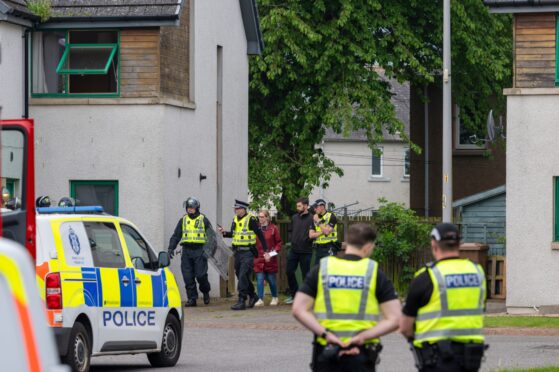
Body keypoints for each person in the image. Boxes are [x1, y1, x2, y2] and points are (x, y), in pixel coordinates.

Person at [293, 223, 401, 372]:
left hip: (327, 349)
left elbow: (298, 309)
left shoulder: (323, 269)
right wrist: (363, 336)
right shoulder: (373, 272)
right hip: (361, 351)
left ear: (347, 243)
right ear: (368, 246)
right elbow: (395, 319)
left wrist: (325, 334)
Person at [400, 223, 487, 372]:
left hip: (436, 358)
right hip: (472, 357)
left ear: (434, 244)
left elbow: (405, 326)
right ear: (459, 244)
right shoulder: (477, 272)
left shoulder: (426, 277)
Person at [218, 199, 269, 310]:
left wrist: (266, 251)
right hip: (238, 252)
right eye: (235, 208)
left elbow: (260, 235)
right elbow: (234, 233)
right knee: (242, 276)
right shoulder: (235, 219)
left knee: (242, 275)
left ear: (243, 209)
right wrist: (225, 233)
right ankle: (253, 296)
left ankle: (241, 300)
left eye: (237, 209)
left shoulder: (251, 219)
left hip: (248, 252)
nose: (235, 210)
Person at [167, 197, 212, 307]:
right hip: (186, 251)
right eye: (188, 208)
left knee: (201, 276)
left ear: (196, 208)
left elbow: (211, 237)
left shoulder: (203, 219)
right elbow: (176, 236)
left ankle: (205, 291)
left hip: (199, 251)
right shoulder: (183, 220)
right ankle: (192, 298)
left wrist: (208, 251)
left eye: (191, 207)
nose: (189, 209)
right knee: (188, 276)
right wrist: (170, 248)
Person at [285, 197, 315, 305]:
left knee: (305, 275)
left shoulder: (312, 218)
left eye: (299, 206)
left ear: (306, 206)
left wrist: (308, 240)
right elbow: (291, 231)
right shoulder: (294, 218)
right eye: (297, 206)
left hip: (306, 251)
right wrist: (292, 240)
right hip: (294, 250)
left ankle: (307, 298)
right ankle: (295, 295)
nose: (297, 208)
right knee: (289, 271)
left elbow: (315, 233)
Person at [253, 209, 282, 306]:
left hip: (270, 259)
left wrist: (271, 254)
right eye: (259, 216)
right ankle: (260, 299)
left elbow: (279, 244)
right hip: (259, 258)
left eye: (262, 216)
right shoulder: (256, 229)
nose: (260, 218)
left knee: (271, 280)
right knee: (260, 279)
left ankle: (275, 297)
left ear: (267, 217)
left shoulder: (274, 229)